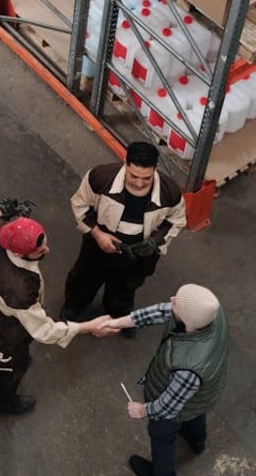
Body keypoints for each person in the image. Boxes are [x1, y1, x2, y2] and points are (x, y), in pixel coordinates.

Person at [0, 201, 116, 416]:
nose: (46, 250)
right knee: (7, 369)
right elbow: (44, 331)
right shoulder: (19, 290)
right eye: (39, 250)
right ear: (20, 255)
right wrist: (87, 326)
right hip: (3, 330)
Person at [107, 284, 228, 476]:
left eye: (177, 302)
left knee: (162, 435)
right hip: (202, 396)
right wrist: (117, 322)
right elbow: (165, 311)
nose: (171, 299)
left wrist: (142, 409)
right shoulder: (211, 314)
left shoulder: (188, 369)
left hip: (179, 403)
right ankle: (197, 442)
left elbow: (168, 407)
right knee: (194, 415)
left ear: (187, 320)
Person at [61, 141, 186, 338]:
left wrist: (155, 241)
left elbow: (176, 220)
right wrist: (97, 234)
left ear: (156, 168)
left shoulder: (170, 193)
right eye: (134, 175)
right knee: (84, 278)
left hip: (139, 255)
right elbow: (80, 204)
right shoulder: (100, 178)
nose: (139, 183)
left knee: (125, 288)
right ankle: (74, 307)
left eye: (146, 178)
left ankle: (119, 316)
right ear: (125, 163)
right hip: (98, 247)